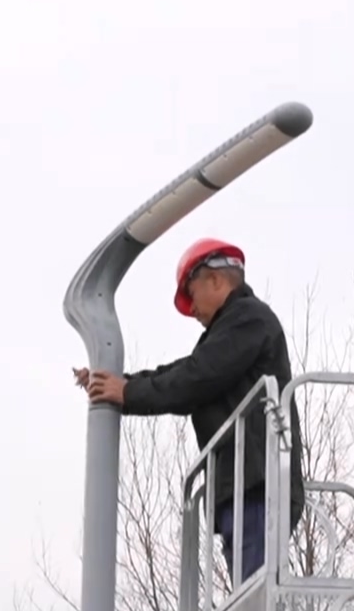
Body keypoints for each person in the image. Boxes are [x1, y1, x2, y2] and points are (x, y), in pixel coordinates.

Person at [76, 237, 305, 581]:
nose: (192, 308)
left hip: (257, 485)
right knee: (253, 603)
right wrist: (122, 384)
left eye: (191, 293)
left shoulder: (248, 319)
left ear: (214, 279)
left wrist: (127, 392)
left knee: (259, 604)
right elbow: (186, 370)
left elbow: (196, 378)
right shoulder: (233, 329)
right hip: (244, 485)